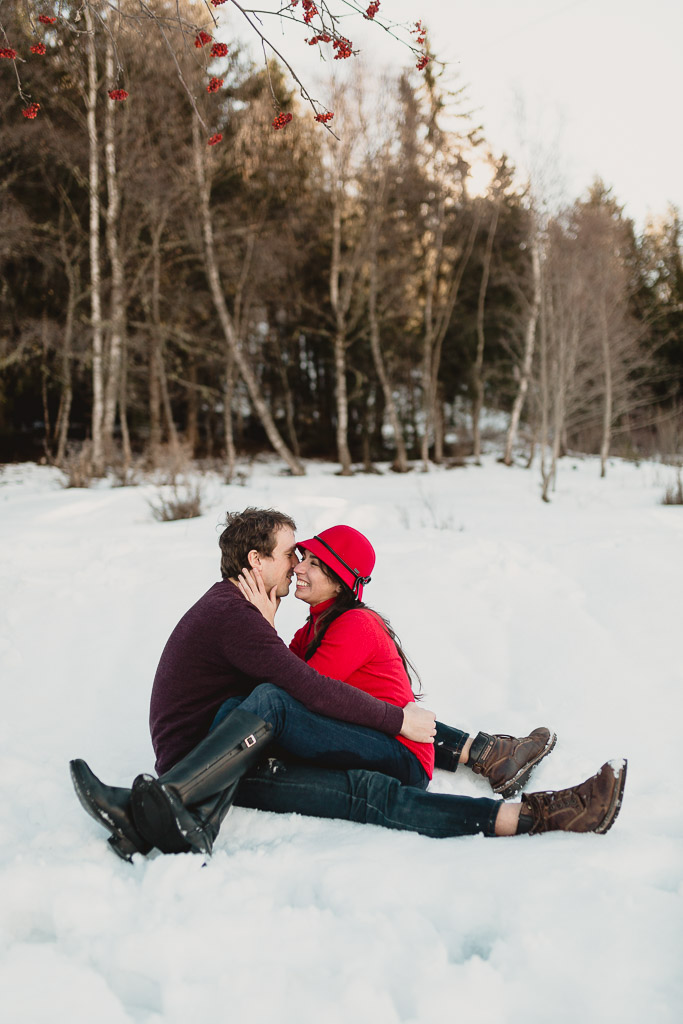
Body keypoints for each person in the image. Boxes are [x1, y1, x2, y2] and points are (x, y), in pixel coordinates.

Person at [70, 509, 626, 861]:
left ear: (339, 577)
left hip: (238, 748)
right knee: (337, 764)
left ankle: (527, 798)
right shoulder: (252, 617)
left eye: (308, 559)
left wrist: (400, 722)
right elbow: (303, 690)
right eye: (293, 555)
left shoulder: (328, 622)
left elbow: (304, 694)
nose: (297, 567)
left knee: (290, 719)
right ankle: (186, 817)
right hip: (218, 751)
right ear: (256, 561)